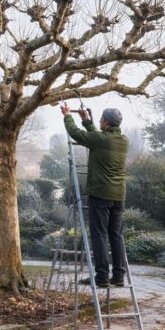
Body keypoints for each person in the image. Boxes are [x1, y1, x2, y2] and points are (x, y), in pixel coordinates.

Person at [61, 102, 129, 288]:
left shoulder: (100, 140)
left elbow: (76, 134)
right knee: (116, 235)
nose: (99, 121)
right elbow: (98, 137)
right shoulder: (123, 140)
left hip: (100, 194)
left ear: (106, 122)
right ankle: (119, 276)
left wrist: (68, 116)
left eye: (100, 119)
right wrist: (87, 121)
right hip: (119, 196)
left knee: (99, 235)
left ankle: (102, 277)